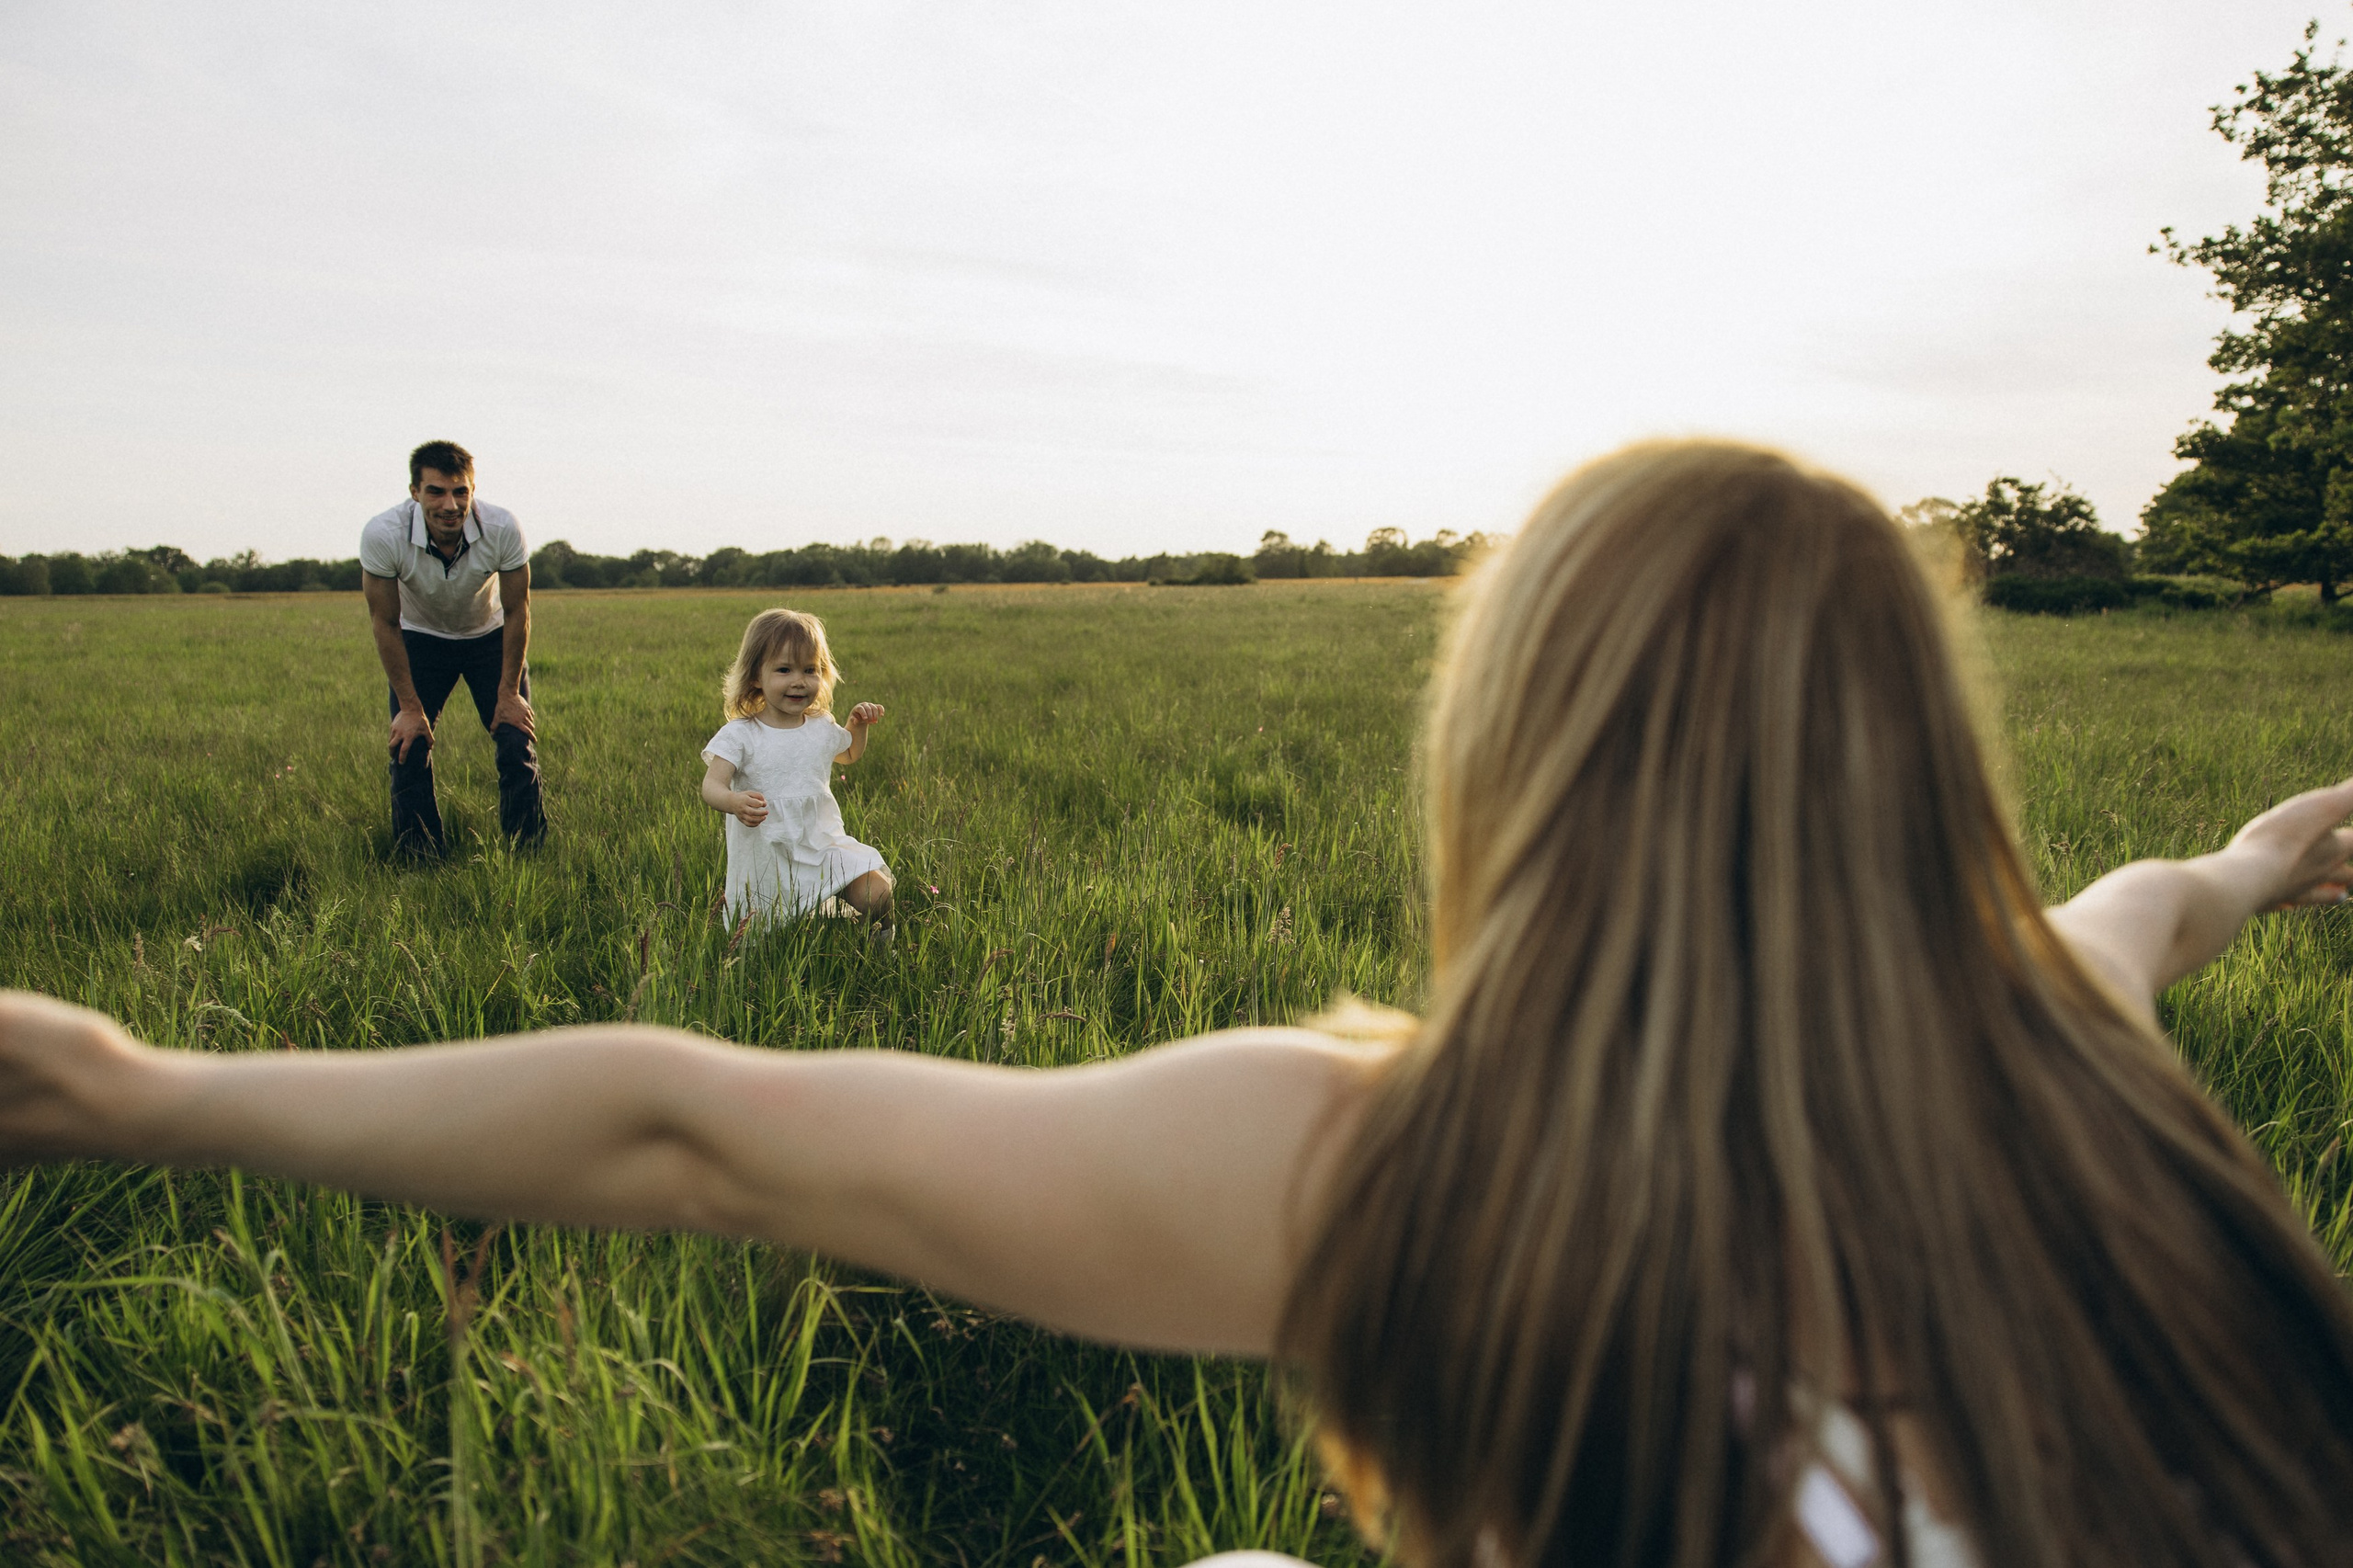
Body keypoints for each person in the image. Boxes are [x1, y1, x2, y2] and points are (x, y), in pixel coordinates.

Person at [5, 440, 2352, 1567]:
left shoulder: (1416, 1161)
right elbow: (2151, 902)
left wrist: (135, 1080)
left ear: (1508, 752)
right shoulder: (2065, 1042)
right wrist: (2260, 849)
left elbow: (701, 1127)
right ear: (1917, 755)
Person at [360, 439, 547, 857]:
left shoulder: (502, 528)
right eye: (436, 492)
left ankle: (528, 853)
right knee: (408, 746)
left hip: (489, 637)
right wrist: (410, 708)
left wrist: (508, 694)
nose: (450, 504)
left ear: (473, 491)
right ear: (414, 493)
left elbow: (519, 610)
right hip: (420, 639)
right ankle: (420, 860)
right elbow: (385, 622)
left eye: (461, 491)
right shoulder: (383, 534)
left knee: (516, 740)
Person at [699, 608, 893, 933]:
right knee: (772, 925)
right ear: (755, 676)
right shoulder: (741, 734)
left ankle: (880, 940)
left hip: (821, 842)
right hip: (769, 851)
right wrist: (733, 802)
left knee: (878, 893)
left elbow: (848, 754)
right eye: (784, 669)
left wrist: (857, 726)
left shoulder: (819, 725)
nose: (799, 681)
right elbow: (711, 785)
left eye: (810, 669)